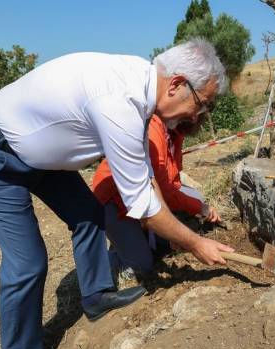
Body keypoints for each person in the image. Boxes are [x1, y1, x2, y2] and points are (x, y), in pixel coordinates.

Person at [0, 38, 235, 349]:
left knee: (88, 214)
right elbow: (142, 204)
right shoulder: (120, 101)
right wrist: (196, 243)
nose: (197, 116)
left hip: (38, 156)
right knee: (28, 263)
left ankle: (97, 296)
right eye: (201, 103)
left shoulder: (140, 90)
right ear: (177, 84)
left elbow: (144, 179)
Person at [92, 114, 221, 276]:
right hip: (114, 201)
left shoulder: (175, 131)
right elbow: (163, 193)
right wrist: (197, 209)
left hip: (147, 195)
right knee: (140, 266)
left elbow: (173, 180)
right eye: (201, 106)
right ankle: (98, 259)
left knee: (195, 196)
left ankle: (144, 236)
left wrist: (177, 225)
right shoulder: (153, 130)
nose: (198, 117)